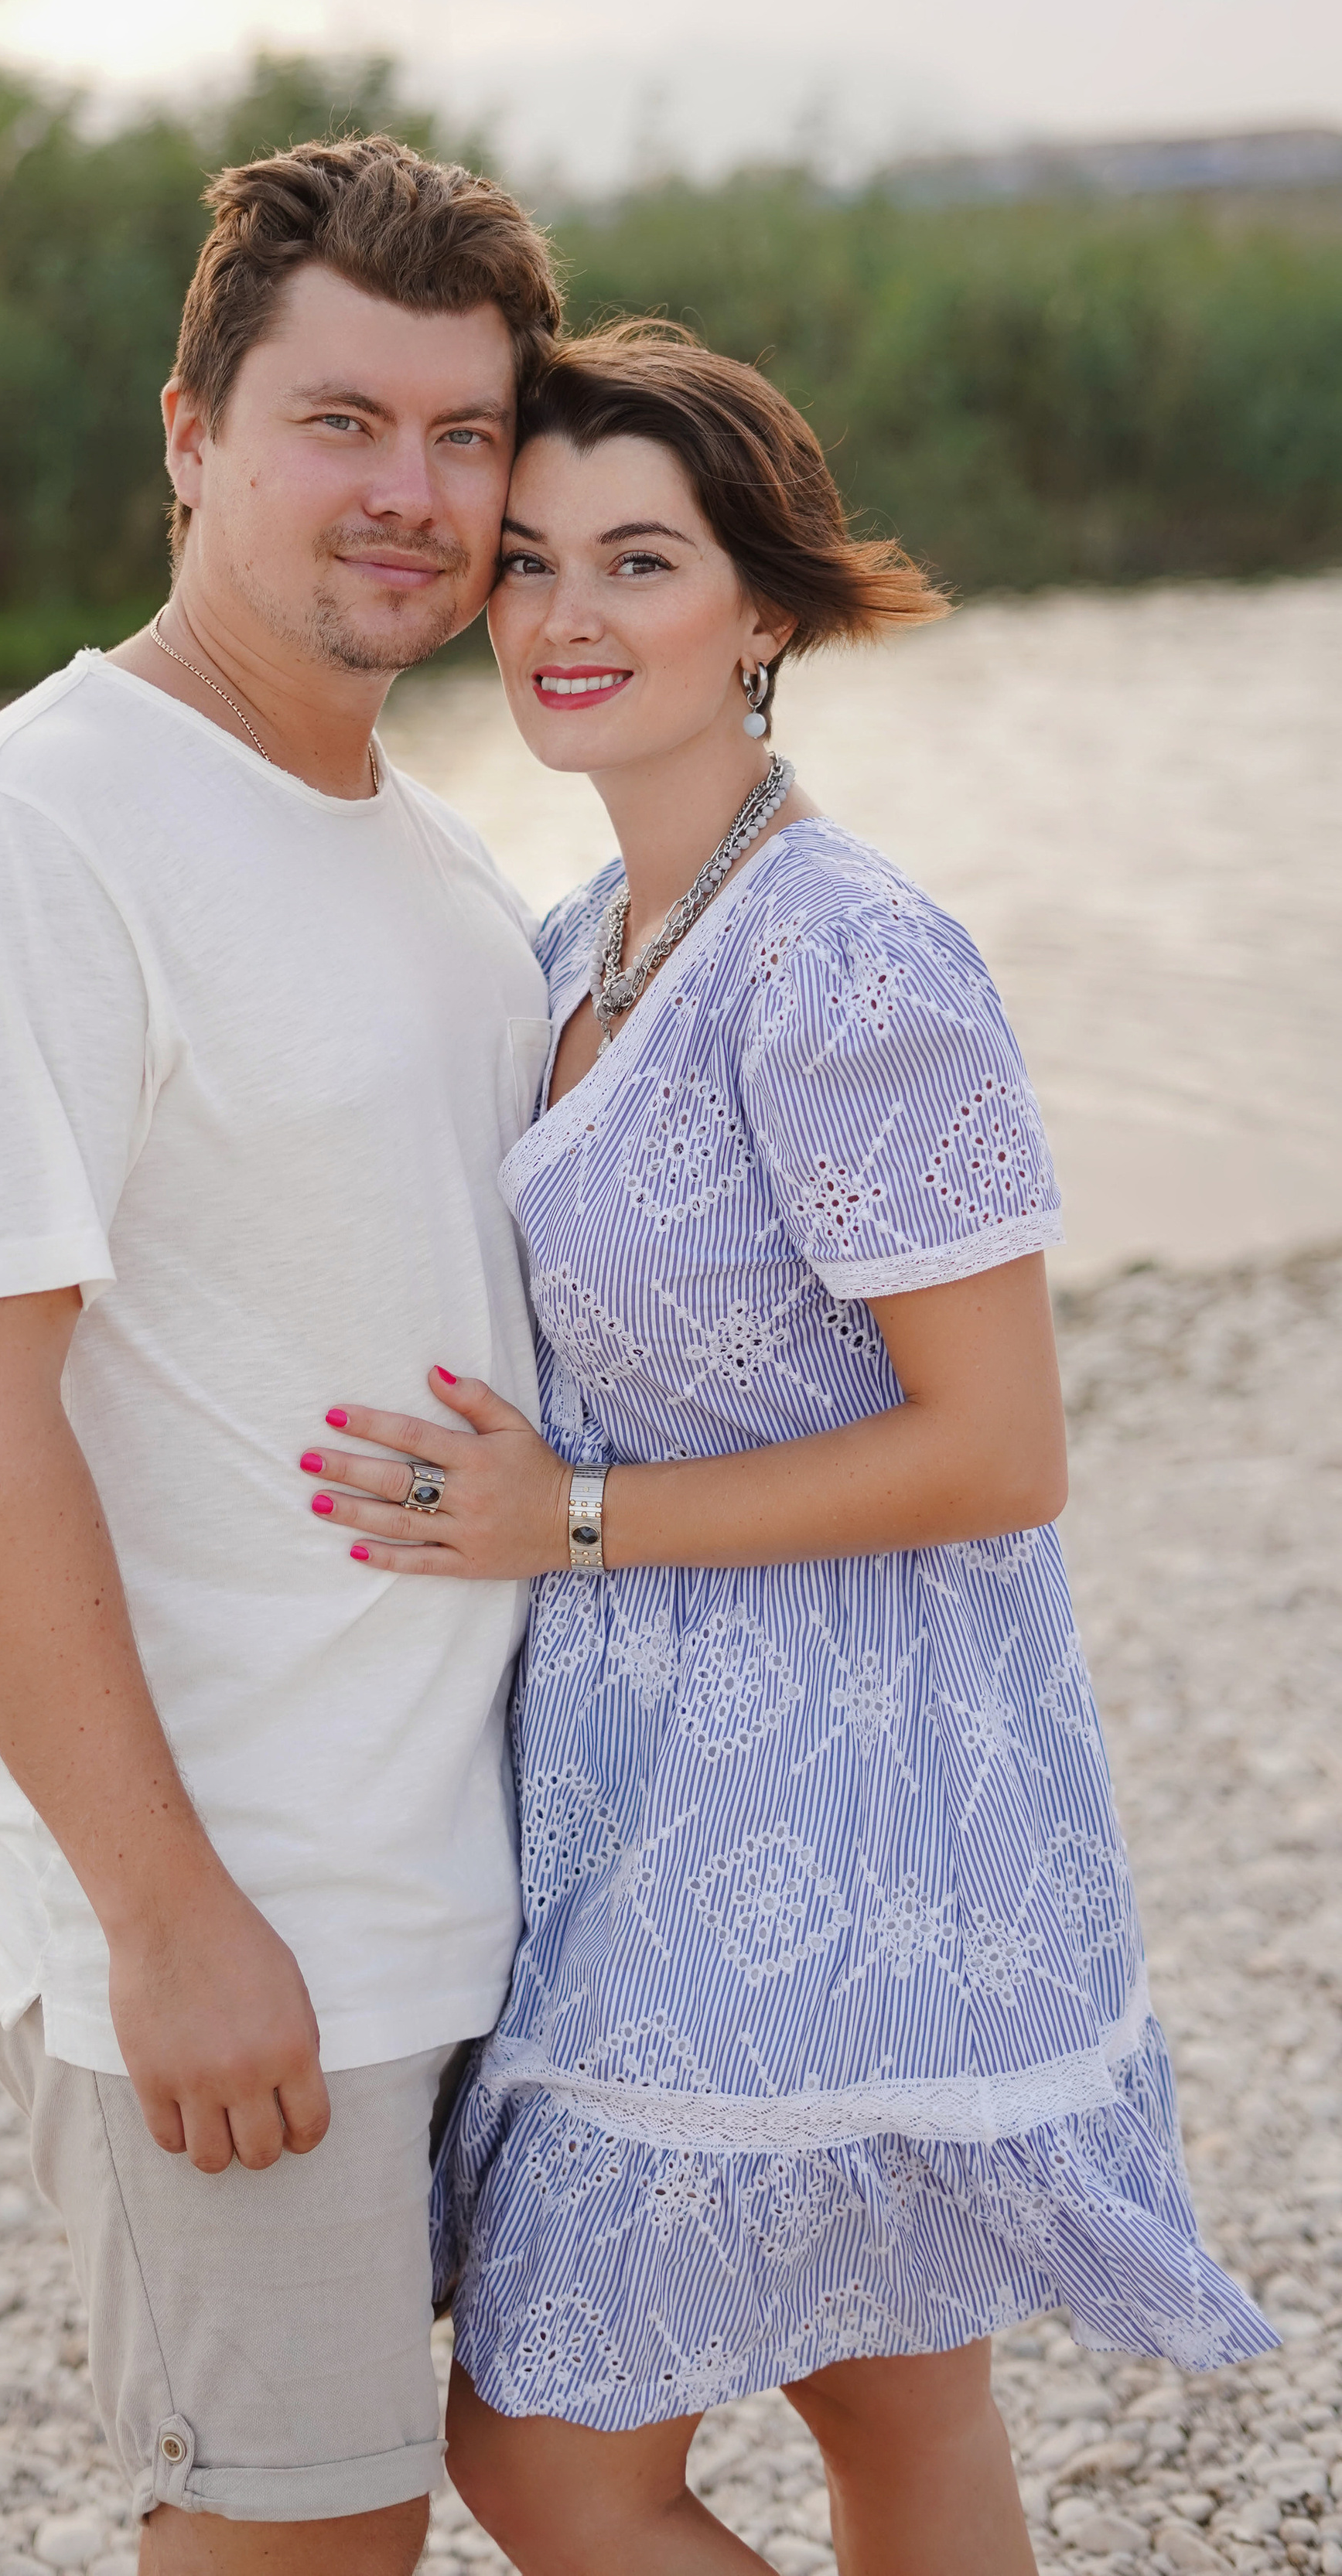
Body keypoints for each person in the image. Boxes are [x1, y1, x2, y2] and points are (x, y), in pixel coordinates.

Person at [294, 322, 1274, 2576]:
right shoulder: (586, 941)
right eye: (529, 562)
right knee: (893, 2395)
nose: (564, 618)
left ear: (765, 608)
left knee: (549, 2461)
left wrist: (575, 1518)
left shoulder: (843, 958)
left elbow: (1004, 1448)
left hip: (849, 1802)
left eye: (639, 561)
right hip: (667, 1784)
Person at [0, 135, 565, 2575]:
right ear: (189, 435)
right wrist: (164, 1915)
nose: (415, 492)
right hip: (253, 1908)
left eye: (465, 436)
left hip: (473, 1874)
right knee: (294, 2545)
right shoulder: (38, 838)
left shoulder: (428, 849)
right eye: (341, 423)